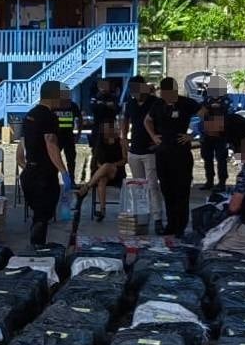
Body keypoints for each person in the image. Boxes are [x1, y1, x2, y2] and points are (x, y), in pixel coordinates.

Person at [17, 80, 72, 246]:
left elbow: (20, 149)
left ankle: (36, 248)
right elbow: (51, 144)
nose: (63, 100)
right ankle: (37, 250)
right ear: (53, 96)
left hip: (28, 174)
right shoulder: (49, 117)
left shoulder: (28, 115)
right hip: (44, 175)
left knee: (38, 215)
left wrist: (26, 167)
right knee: (42, 217)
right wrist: (63, 171)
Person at [144, 77, 199, 237]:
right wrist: (154, 136)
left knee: (181, 190)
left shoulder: (186, 103)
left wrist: (193, 135)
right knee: (167, 190)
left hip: (181, 153)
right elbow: (147, 120)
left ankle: (181, 225)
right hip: (162, 152)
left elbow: (206, 116)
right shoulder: (158, 104)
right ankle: (171, 223)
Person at [120, 75, 164, 234]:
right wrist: (123, 137)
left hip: (150, 151)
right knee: (139, 187)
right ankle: (141, 219)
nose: (134, 93)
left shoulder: (155, 102)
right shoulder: (130, 103)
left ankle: (158, 219)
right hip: (134, 151)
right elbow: (125, 120)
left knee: (152, 185)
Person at [85, 119, 127, 222]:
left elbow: (125, 160)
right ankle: (102, 210)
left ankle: (87, 187)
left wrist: (112, 165)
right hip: (103, 172)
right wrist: (106, 167)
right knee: (102, 180)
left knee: (107, 166)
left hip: (117, 171)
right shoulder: (100, 143)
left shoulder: (120, 142)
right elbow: (98, 162)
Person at [54, 87, 82, 180]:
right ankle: (53, 179)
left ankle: (71, 180)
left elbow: (80, 119)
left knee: (71, 159)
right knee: (54, 159)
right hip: (57, 137)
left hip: (69, 136)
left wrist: (78, 134)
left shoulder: (73, 106)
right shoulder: (54, 106)